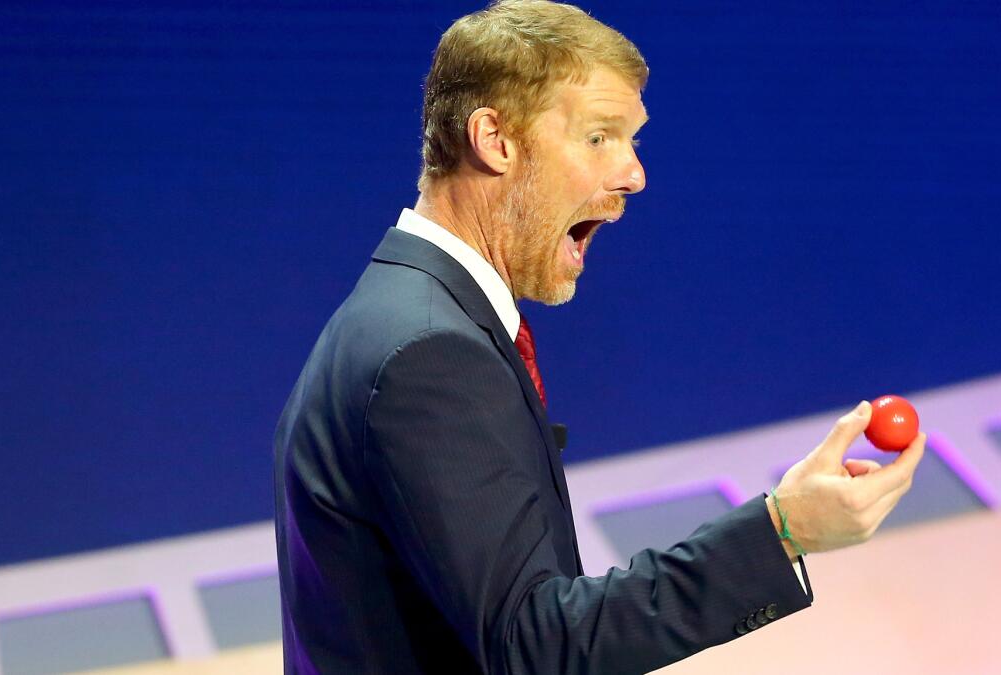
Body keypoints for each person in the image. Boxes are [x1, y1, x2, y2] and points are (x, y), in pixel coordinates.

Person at [272, 1, 925, 673]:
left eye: (633, 140)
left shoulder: (407, 313)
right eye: (598, 137)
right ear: (495, 140)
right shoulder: (428, 352)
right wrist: (783, 529)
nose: (633, 174)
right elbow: (537, 643)